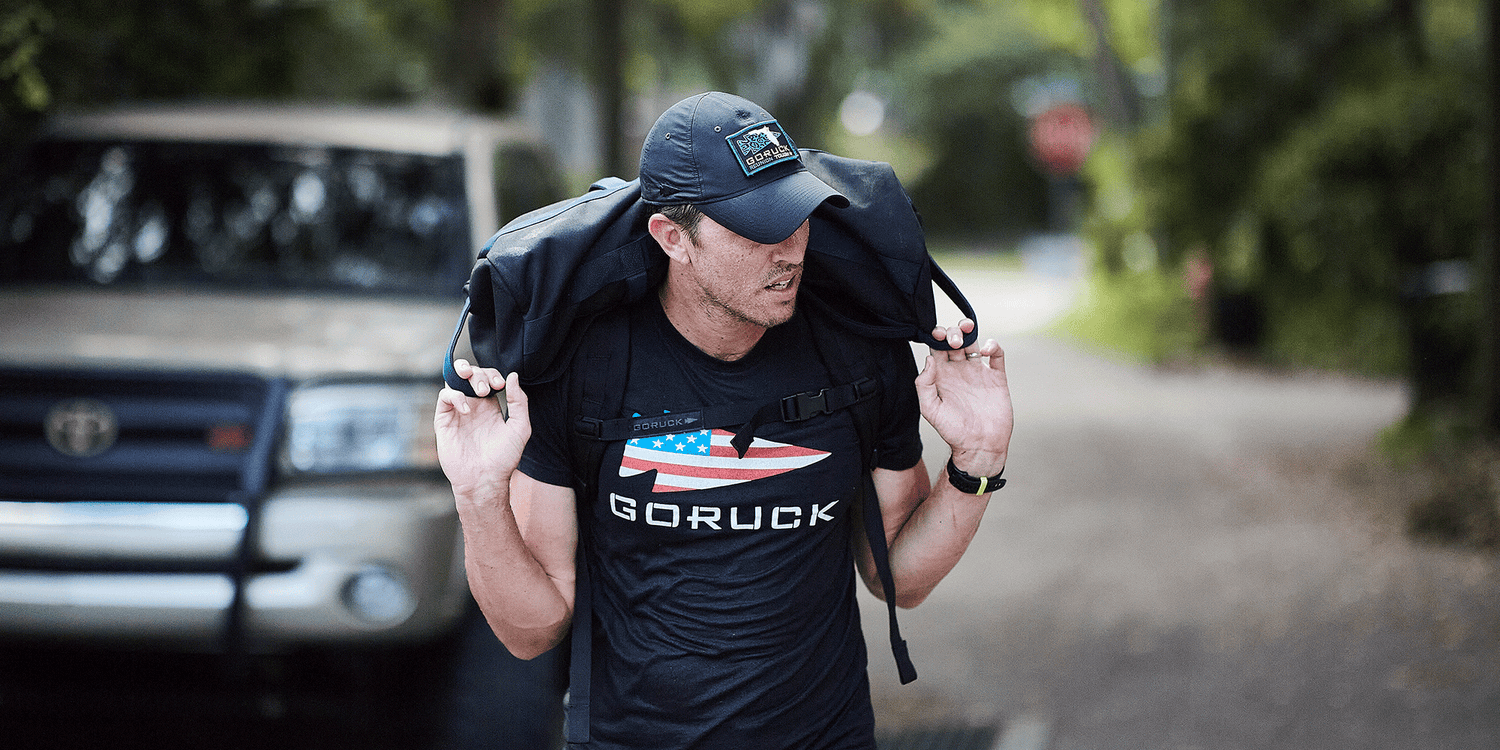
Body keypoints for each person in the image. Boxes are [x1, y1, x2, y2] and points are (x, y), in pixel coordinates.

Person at [434, 91, 1013, 750]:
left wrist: (977, 459)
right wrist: (478, 494)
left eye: (798, 217)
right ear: (672, 237)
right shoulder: (586, 370)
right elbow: (530, 629)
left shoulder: (854, 352)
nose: (790, 249)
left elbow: (897, 579)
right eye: (757, 227)